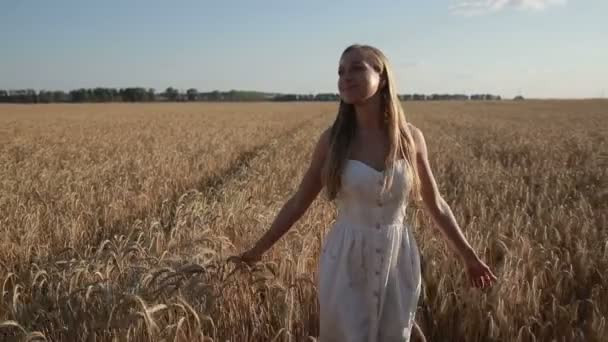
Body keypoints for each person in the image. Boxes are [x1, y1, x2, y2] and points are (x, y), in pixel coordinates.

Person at [229, 44, 497, 341]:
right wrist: (256, 251)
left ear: (381, 77)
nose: (345, 77)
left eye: (357, 68)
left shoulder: (411, 139)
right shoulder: (332, 141)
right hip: (346, 260)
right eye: (341, 72)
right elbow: (297, 204)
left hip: (398, 260)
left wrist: (470, 257)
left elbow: (437, 204)